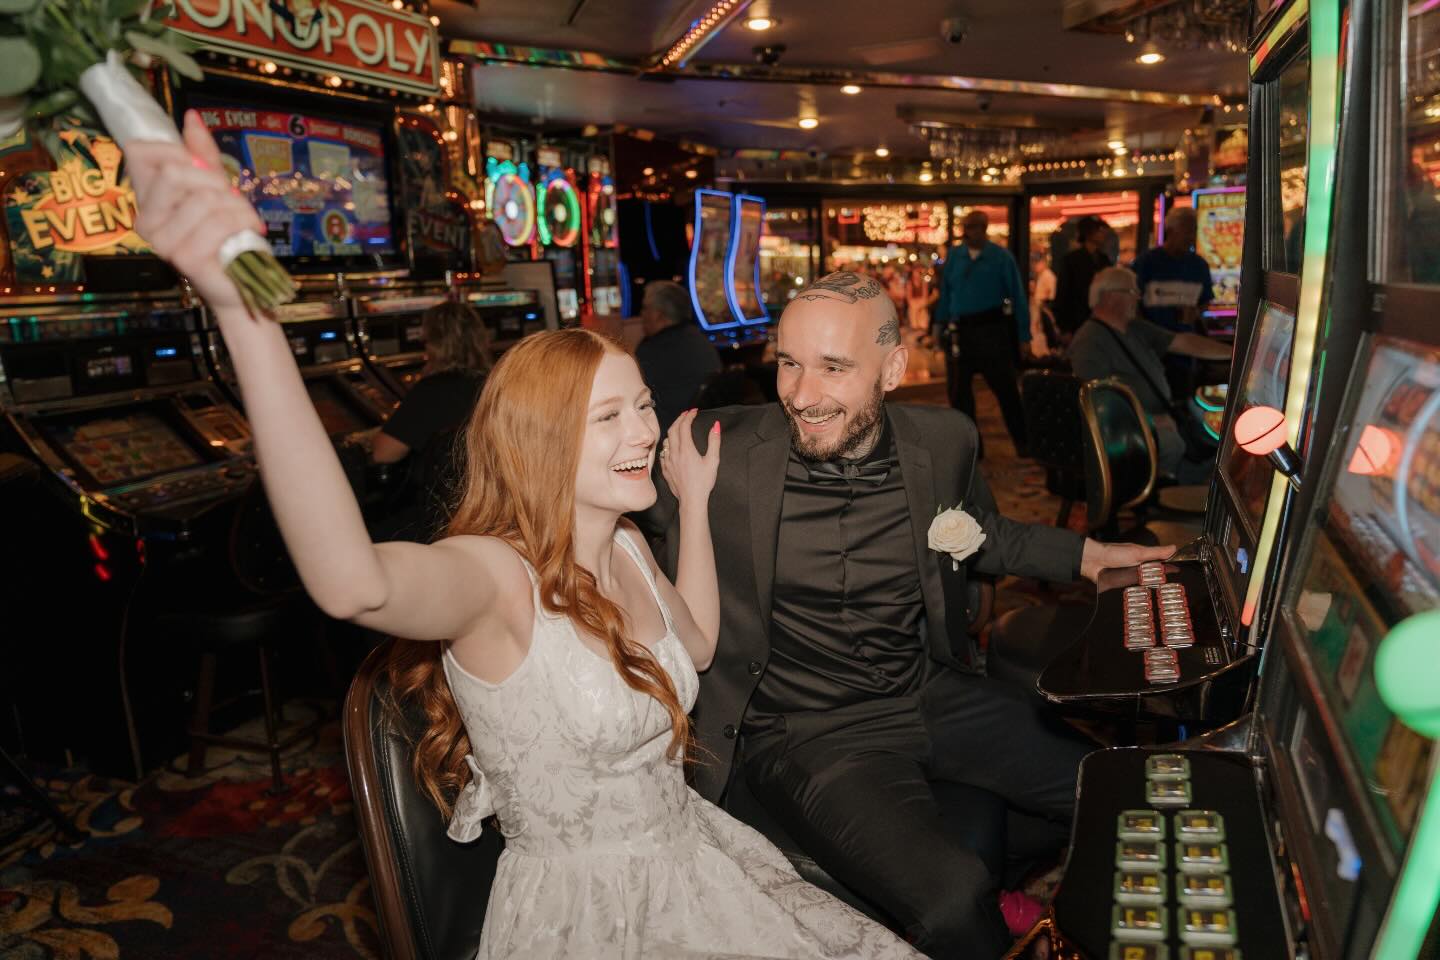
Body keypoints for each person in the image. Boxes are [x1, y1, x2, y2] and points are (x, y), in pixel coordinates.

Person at [128, 112, 923, 960]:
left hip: (689, 855)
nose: (644, 431)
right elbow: (350, 582)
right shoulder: (492, 579)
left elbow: (692, 648)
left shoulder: (624, 542)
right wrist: (245, 315)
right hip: (592, 914)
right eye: (609, 417)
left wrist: (693, 504)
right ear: (544, 443)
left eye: (643, 406)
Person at [642, 269, 1175, 959]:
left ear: (893, 369)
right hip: (809, 734)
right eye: (789, 363)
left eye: (834, 368)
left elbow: (981, 531)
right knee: (953, 901)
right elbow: (607, 515)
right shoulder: (719, 451)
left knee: (1121, 791)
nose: (802, 394)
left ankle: (1012, 891)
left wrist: (1091, 556)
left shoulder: (944, 440)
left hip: (928, 691)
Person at [1068, 267, 1232, 482]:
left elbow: (1183, 342)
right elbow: (1095, 402)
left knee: (1216, 430)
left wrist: (1236, 353)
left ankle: (1193, 484)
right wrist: (1147, 420)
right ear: (1110, 297)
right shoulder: (1090, 341)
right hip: (1124, 428)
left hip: (1162, 413)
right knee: (1172, 442)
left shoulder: (1135, 328)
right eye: (1132, 291)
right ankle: (1161, 490)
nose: (1138, 298)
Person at [931, 211, 1030, 457]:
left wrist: (1024, 336)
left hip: (991, 329)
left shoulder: (1000, 257)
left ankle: (1024, 443)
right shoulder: (955, 256)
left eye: (975, 227)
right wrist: (938, 326)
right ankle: (973, 448)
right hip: (960, 331)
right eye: (967, 227)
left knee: (1006, 390)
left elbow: (1018, 297)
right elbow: (946, 294)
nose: (970, 232)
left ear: (984, 228)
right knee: (959, 394)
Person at [370, 301, 493, 465]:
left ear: (434, 344)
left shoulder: (431, 390)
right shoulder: (494, 383)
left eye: (426, 341)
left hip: (445, 480)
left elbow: (383, 454)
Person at [634, 279, 722, 433]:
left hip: (670, 433)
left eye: (645, 308)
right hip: (704, 428)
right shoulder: (699, 339)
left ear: (659, 315)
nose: (642, 314)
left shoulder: (653, 350)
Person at [1133, 207, 1214, 334]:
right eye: (1187, 231)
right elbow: (1132, 301)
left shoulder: (1200, 265)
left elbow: (1205, 301)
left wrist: (1195, 313)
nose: (1191, 237)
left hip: (1186, 340)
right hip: (1151, 340)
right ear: (1170, 231)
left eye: (1194, 231)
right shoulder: (1146, 262)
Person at [1052, 215, 1113, 336]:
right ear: (1088, 233)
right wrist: (1064, 328)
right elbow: (1063, 293)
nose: (1103, 234)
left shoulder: (1104, 259)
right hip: (1078, 321)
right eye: (1099, 230)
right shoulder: (1072, 260)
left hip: (1102, 320)